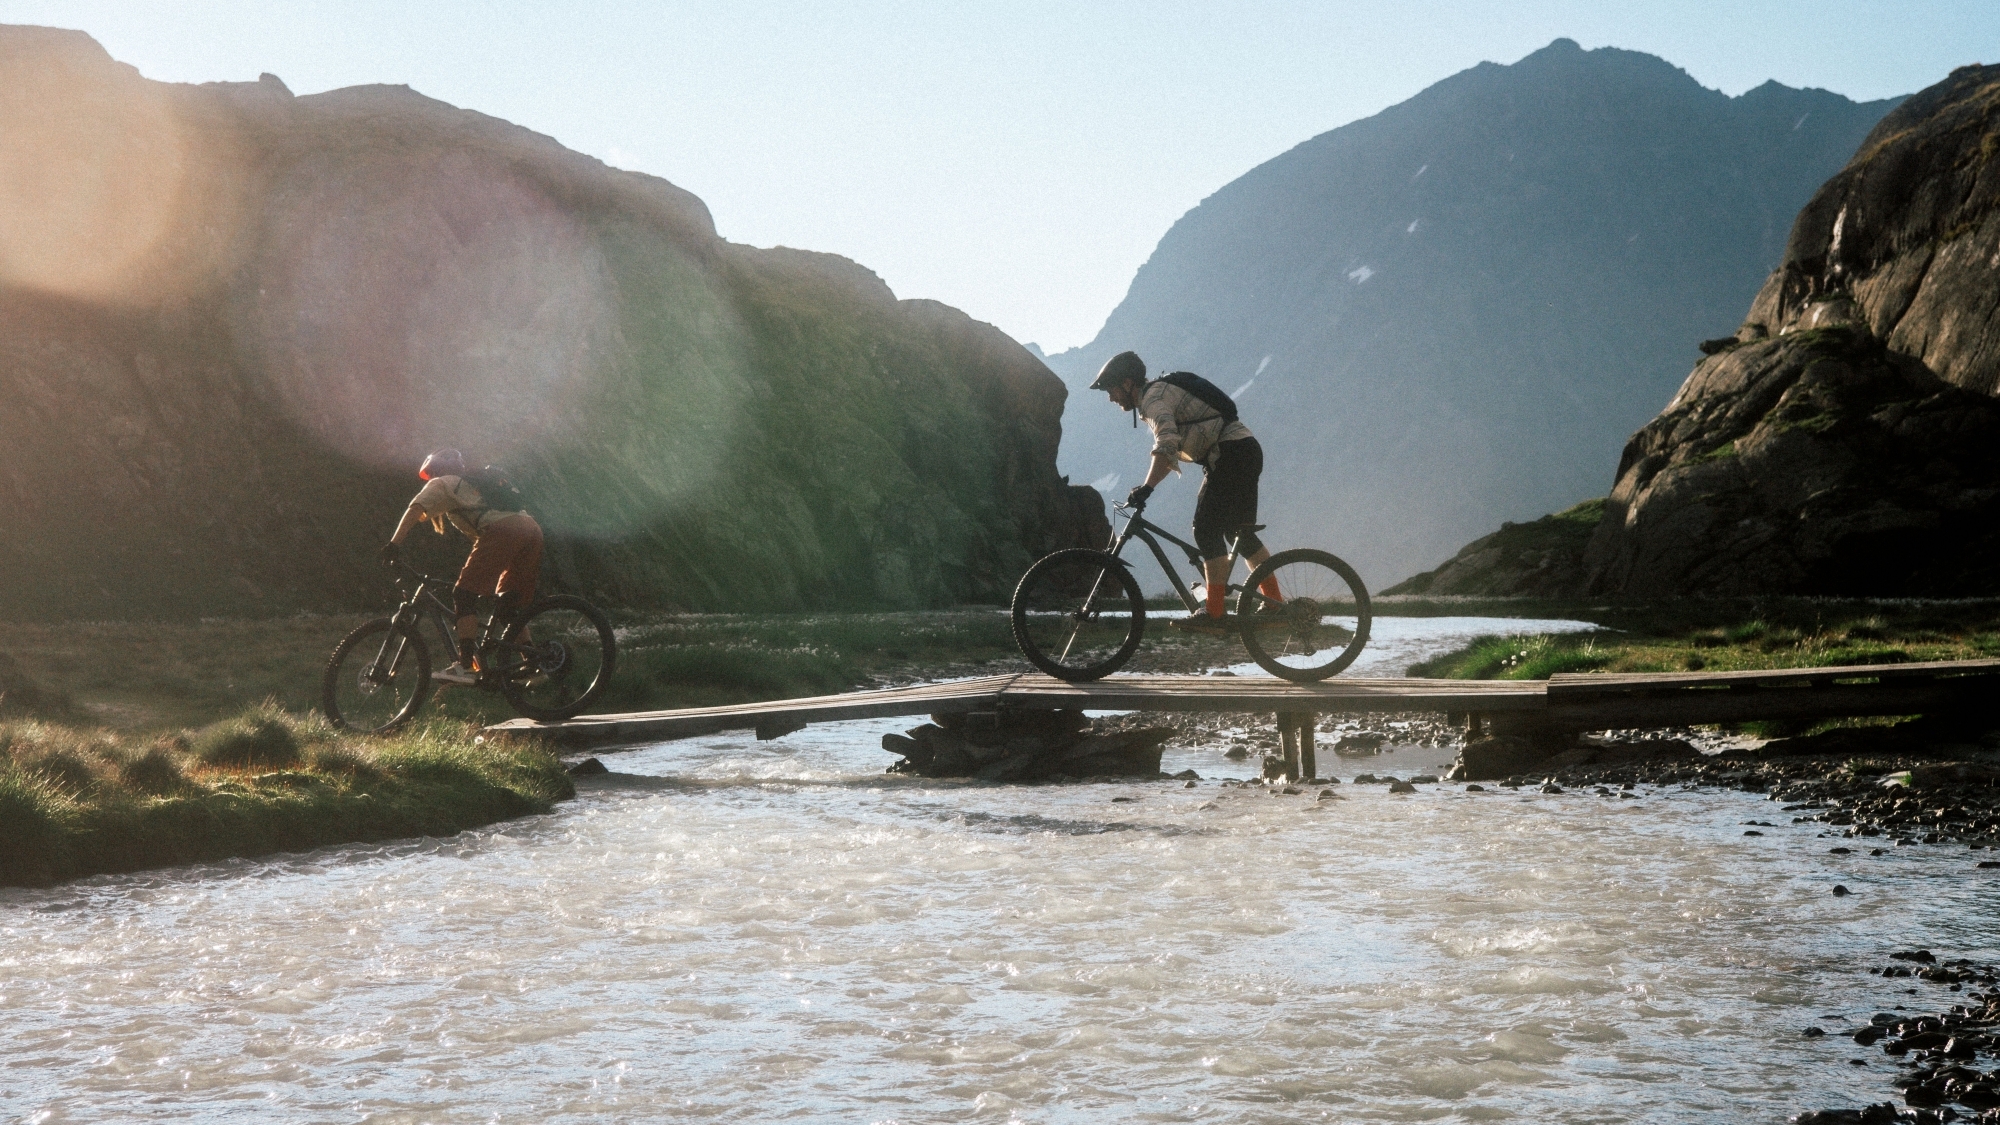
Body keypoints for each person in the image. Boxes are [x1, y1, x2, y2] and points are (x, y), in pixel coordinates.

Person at [1089, 351, 1280, 634]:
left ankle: (1215, 614)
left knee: (1204, 529)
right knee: (1237, 532)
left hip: (1230, 454)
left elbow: (1167, 443)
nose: (1110, 397)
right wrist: (1149, 486)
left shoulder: (1153, 399)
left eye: (1111, 389)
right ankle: (1275, 605)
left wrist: (1146, 488)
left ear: (1128, 383)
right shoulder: (1158, 393)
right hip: (1242, 451)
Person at [377, 449, 542, 685]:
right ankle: (534, 662)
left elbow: (415, 509)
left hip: (504, 531)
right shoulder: (471, 487)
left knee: (463, 594)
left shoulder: (444, 483)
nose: (431, 477)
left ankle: (465, 667)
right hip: (531, 530)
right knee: (507, 604)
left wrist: (393, 545)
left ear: (438, 470)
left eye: (432, 473)